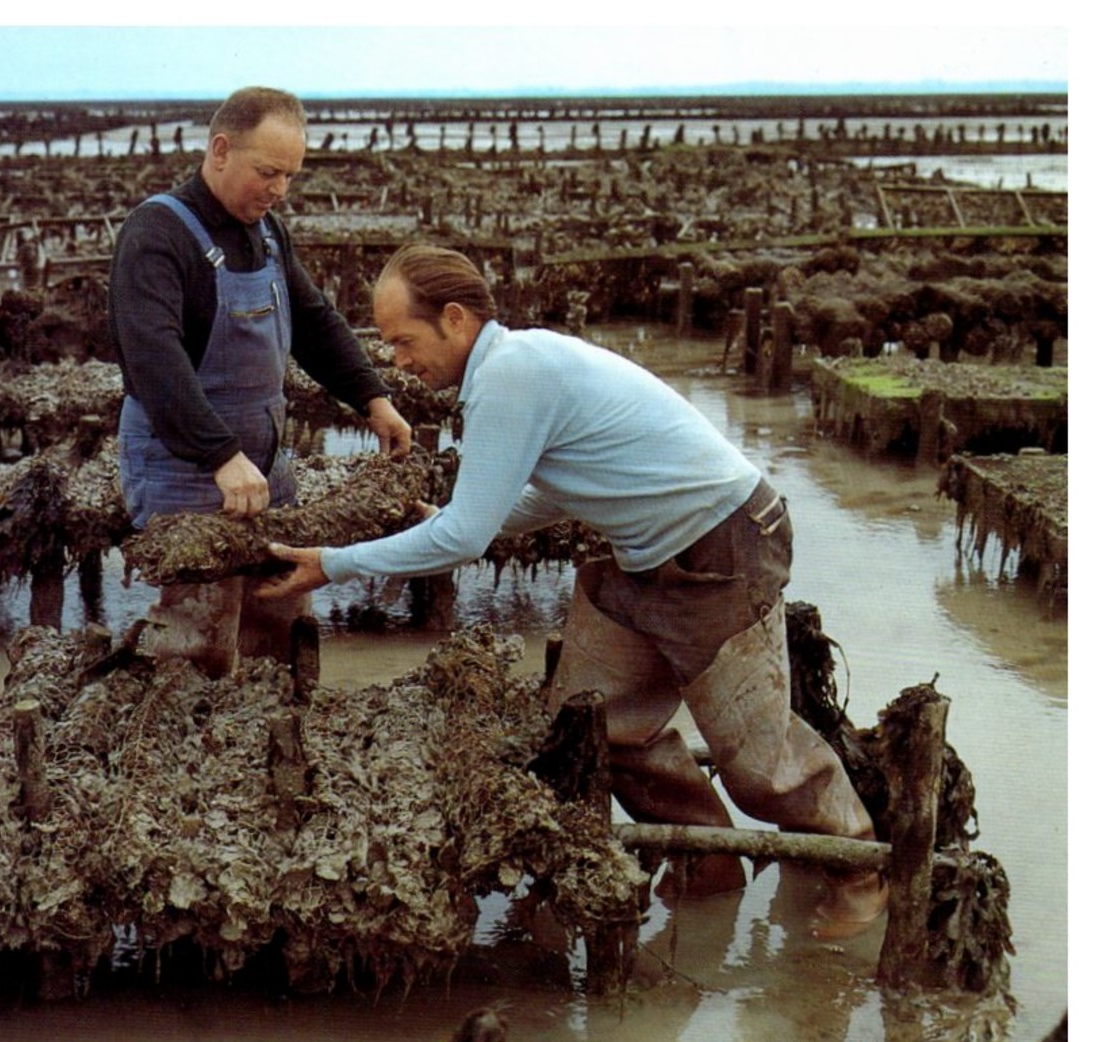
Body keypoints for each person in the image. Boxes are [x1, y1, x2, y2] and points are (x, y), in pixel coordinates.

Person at [259, 244, 886, 938]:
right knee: (597, 726)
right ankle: (708, 867)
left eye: (404, 341)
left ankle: (860, 868)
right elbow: (548, 492)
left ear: (456, 320)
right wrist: (467, 520)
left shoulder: (511, 376)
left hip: (721, 546)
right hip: (644, 555)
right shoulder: (514, 365)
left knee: (758, 762)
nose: (398, 363)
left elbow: (463, 542)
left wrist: (332, 563)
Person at [109, 86, 412, 677]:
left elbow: (316, 320)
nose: (278, 190)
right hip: (185, 470)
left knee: (282, 622)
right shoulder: (157, 234)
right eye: (267, 172)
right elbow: (152, 359)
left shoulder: (268, 233)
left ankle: (279, 743)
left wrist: (372, 397)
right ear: (220, 150)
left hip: (265, 469)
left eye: (290, 177)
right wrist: (218, 453)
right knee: (199, 642)